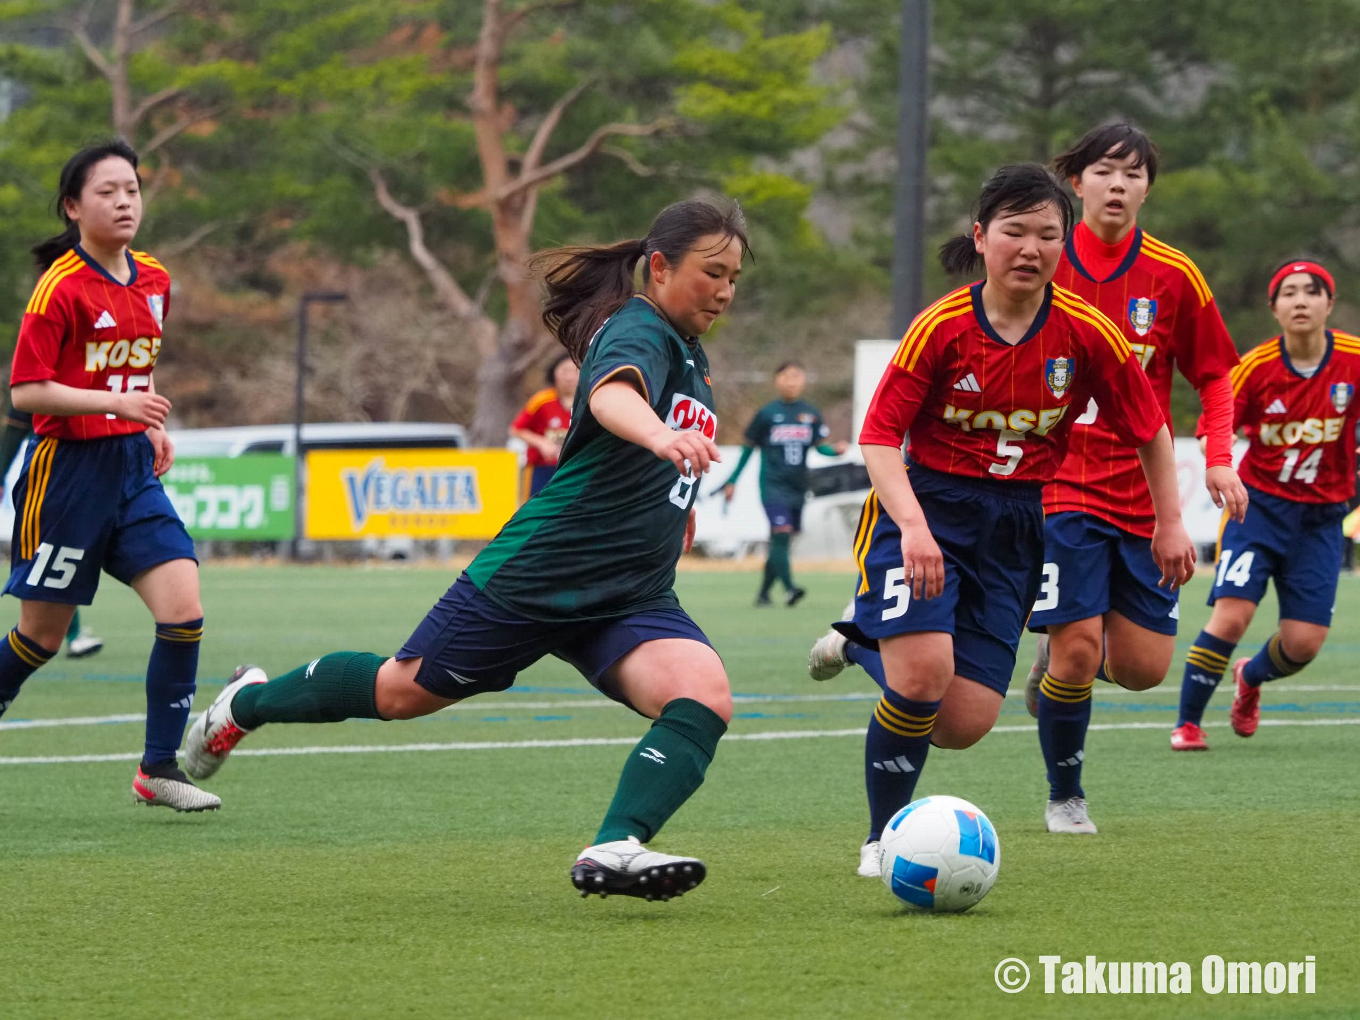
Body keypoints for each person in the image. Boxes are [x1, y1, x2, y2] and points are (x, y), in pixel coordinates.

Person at [184, 199, 749, 900]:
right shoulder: (637, 327)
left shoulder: (693, 351)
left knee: (704, 696)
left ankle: (614, 845)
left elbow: (639, 455)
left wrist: (673, 506)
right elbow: (612, 400)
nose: (725, 290)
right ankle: (248, 704)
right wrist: (663, 439)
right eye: (712, 272)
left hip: (628, 593)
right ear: (659, 268)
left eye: (734, 277)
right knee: (399, 693)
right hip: (542, 570)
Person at [809, 163, 1195, 878]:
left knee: (962, 725)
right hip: (925, 511)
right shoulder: (942, 326)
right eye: (1014, 231)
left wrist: (1168, 522)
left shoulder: (1086, 332)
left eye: (1048, 234)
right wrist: (915, 528)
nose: (1031, 248)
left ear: (1064, 240)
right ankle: (879, 838)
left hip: (1019, 524)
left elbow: (1150, 428)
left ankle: (860, 640)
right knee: (922, 677)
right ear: (982, 238)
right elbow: (877, 437)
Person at [1013, 123, 1247, 832]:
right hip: (1058, 484)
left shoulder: (1174, 276)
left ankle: (1057, 674)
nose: (1119, 185)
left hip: (1145, 492)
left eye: (1135, 174)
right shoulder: (1040, 260)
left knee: (1144, 668)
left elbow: (1214, 374)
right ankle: (1065, 795)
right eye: (1105, 171)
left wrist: (1216, 456)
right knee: (1080, 648)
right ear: (1076, 180)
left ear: (1148, 188)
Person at [0, 140, 212, 810]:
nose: (125, 202)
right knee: (42, 636)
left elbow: (135, 367)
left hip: (131, 470)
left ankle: (158, 770)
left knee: (184, 610)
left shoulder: (153, 278)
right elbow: (27, 393)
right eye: (107, 192)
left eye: (132, 189)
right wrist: (114, 404)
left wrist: (146, 421)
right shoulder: (59, 287)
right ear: (73, 206)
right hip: (66, 478)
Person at [1171, 260, 1360, 750]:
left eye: (1311, 291)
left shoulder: (1354, 361)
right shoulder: (1254, 367)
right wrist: (1221, 460)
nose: (1301, 300)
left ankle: (1250, 678)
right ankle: (1187, 724)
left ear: (1328, 304)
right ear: (1273, 308)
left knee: (1303, 645)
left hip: (1321, 520)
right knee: (1232, 615)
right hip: (1259, 511)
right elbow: (1219, 420)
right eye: (1289, 293)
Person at [720, 361, 847, 606]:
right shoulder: (767, 414)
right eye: (786, 376)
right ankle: (790, 589)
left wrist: (836, 451)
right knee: (781, 532)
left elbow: (821, 447)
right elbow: (747, 450)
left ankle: (763, 594)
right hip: (772, 485)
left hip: (798, 486)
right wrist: (732, 480)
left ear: (803, 380)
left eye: (796, 376)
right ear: (776, 380)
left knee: (782, 541)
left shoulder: (810, 413)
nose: (791, 381)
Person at [0, 400, 104, 657]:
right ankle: (70, 636)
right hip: (49, 479)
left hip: (76, 477)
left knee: (59, 556)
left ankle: (69, 635)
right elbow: (14, 429)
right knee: (54, 555)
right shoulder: (36, 380)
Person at [510, 354, 579, 497]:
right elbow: (516, 429)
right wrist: (541, 443)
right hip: (541, 469)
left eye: (574, 371)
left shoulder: (590, 402)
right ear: (554, 373)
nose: (569, 377)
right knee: (535, 510)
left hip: (575, 469)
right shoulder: (541, 401)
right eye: (564, 371)